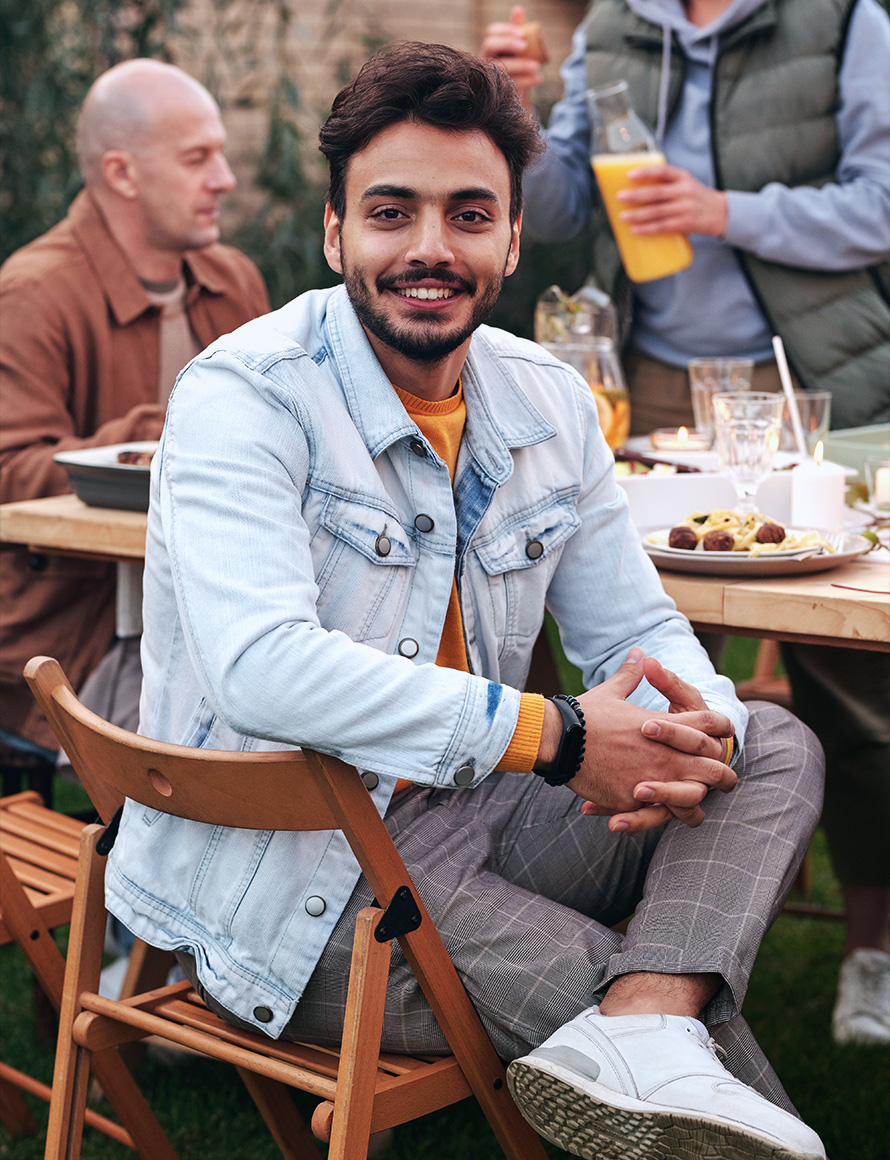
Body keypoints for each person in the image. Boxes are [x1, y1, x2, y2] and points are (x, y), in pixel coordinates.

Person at [104, 43, 827, 1160]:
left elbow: (634, 631)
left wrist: (695, 724)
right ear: (336, 231)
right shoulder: (245, 395)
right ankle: (646, 1022)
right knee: (619, 1018)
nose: (430, 248)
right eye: (391, 212)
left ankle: (650, 1014)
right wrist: (556, 733)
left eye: (467, 213)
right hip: (301, 866)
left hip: (478, 802)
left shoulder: (543, 395)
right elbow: (262, 666)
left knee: (767, 740)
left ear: (510, 238)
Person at [482, 0, 890, 1047]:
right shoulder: (618, 25)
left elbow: (879, 204)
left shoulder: (844, 21)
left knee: (854, 687)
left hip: (812, 392)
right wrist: (517, 121)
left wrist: (723, 211)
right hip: (651, 390)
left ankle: (868, 954)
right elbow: (566, 206)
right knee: (641, 669)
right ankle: (637, 947)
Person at [0, 58, 270, 756]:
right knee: (246, 760)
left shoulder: (233, 281)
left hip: (227, 615)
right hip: (81, 639)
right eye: (197, 158)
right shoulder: (35, 293)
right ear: (122, 174)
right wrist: (179, 427)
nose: (225, 178)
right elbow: (8, 474)